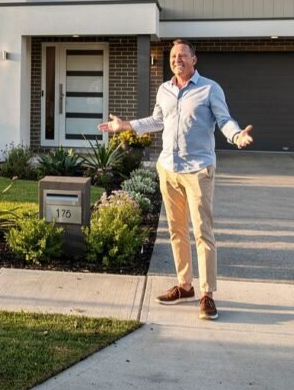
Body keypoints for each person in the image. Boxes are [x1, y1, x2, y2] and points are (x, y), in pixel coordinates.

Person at [98, 39, 253, 321]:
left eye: (182, 54)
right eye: (173, 55)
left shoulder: (209, 88)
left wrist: (237, 134)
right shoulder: (165, 90)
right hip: (169, 170)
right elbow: (157, 120)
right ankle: (184, 286)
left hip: (198, 171)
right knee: (176, 231)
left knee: (203, 233)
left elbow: (224, 120)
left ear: (194, 59)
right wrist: (126, 125)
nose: (176, 59)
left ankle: (207, 294)